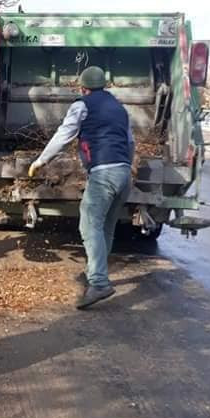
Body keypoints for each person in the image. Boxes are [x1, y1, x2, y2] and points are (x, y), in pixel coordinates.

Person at [28, 65, 134, 310]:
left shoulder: (82, 105)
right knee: (106, 226)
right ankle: (95, 273)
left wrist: (41, 160)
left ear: (83, 88)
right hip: (124, 174)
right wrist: (125, 166)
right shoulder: (120, 109)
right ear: (105, 86)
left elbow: (63, 135)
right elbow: (130, 143)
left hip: (104, 173)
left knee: (89, 223)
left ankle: (98, 282)